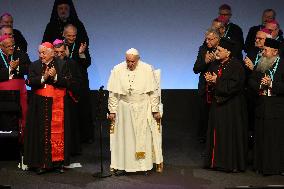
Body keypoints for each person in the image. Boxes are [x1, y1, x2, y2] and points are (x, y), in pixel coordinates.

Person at [107, 48, 162, 175]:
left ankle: (143, 166)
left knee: (142, 138)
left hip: (143, 107)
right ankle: (123, 164)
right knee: (125, 139)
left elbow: (153, 92)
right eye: (128, 61)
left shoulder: (147, 69)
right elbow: (113, 93)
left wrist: (155, 109)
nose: (130, 64)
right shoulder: (118, 69)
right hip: (124, 108)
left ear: (138, 59)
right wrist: (112, 111)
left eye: (132, 61)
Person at [24, 42, 69, 174]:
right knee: (40, 133)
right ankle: (41, 164)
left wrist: (55, 76)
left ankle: (57, 163)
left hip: (57, 104)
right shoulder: (34, 65)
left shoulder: (61, 64)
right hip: (39, 105)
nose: (41, 55)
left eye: (43, 53)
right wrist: (44, 77)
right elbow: (30, 81)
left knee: (57, 134)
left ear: (51, 53)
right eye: (39, 53)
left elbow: (67, 82)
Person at [204, 37, 248, 172]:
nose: (216, 52)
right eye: (217, 49)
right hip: (218, 105)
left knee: (228, 134)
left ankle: (228, 164)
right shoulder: (217, 65)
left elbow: (234, 86)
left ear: (228, 53)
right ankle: (214, 162)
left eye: (219, 50)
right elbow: (215, 85)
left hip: (231, 106)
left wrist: (217, 80)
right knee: (217, 133)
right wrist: (210, 83)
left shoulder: (236, 65)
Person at [248, 38, 284, 176]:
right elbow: (251, 80)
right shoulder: (261, 64)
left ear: (275, 51)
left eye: (266, 50)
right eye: (263, 50)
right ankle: (260, 166)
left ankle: (276, 167)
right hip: (262, 105)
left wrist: (271, 84)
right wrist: (260, 85)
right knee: (261, 137)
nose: (263, 52)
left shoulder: (282, 64)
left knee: (275, 138)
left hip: (277, 108)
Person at [62, 24, 93, 143]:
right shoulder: (59, 45)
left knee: (83, 110)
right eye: (69, 36)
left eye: (74, 35)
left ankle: (84, 137)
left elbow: (87, 64)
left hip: (79, 82)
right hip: (64, 82)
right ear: (64, 34)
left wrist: (81, 53)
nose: (72, 38)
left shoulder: (81, 45)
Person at [53, 39, 82, 158]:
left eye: (61, 52)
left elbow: (78, 80)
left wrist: (68, 83)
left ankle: (70, 149)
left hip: (68, 98)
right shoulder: (50, 63)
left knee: (70, 124)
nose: (59, 55)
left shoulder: (72, 63)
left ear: (65, 50)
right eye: (56, 52)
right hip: (54, 98)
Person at [0, 35, 30, 142]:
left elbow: (28, 68)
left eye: (12, 45)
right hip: (2, 94)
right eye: (8, 46)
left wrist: (17, 67)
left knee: (23, 114)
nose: (11, 48)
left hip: (19, 92)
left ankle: (22, 141)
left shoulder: (20, 54)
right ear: (1, 46)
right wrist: (9, 69)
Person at [193, 28, 220, 143]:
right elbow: (196, 69)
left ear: (217, 39)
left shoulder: (223, 49)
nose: (207, 42)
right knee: (204, 115)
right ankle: (202, 139)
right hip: (205, 88)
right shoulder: (203, 49)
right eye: (206, 39)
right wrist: (205, 61)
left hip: (218, 88)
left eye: (210, 39)